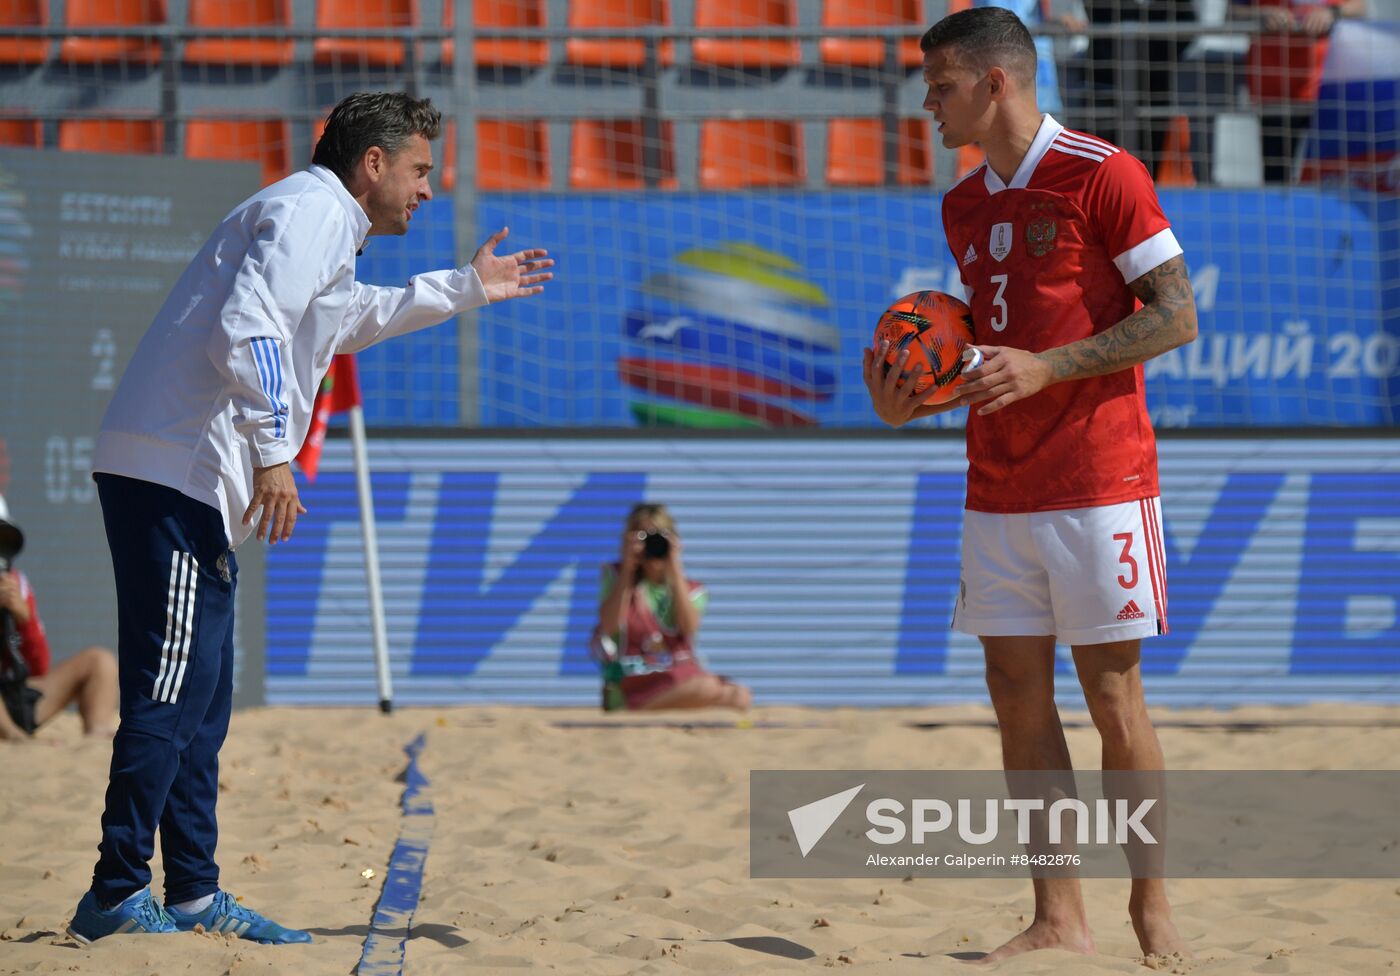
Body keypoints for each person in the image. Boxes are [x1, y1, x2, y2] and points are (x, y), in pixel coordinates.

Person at [67, 91, 553, 946]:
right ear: (372, 165)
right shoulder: (311, 210)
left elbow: (345, 320)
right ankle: (114, 892)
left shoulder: (322, 221)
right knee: (169, 693)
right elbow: (244, 327)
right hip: (177, 470)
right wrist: (273, 453)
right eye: (419, 170)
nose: (428, 191)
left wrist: (467, 288)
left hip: (189, 477)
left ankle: (192, 894)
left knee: (202, 703)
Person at [863, 7, 1198, 963]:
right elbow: (980, 350)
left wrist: (1051, 368)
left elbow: (1176, 317)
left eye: (940, 86)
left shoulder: (1104, 173)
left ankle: (1150, 906)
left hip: (1100, 477)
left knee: (1115, 701)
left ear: (995, 82)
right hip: (997, 483)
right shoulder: (964, 204)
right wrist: (912, 402)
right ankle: (1058, 918)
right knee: (1016, 697)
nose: (928, 104)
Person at [591, 503, 751, 712]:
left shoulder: (692, 589)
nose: (651, 546)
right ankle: (633, 710)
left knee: (740, 695)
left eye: (657, 537)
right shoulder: (616, 577)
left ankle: (657, 709)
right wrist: (627, 570)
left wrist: (674, 566)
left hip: (675, 677)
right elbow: (609, 626)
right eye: (643, 537)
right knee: (706, 687)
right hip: (633, 682)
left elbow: (688, 628)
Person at [0, 494, 118, 742]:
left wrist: (24, 618)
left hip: (16, 695)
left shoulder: (16, 586)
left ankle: (96, 740)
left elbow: (39, 666)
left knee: (100, 662)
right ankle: (14, 737)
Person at [1240, 0, 1367, 183]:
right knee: (1277, 178)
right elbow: (1232, 12)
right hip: (1274, 90)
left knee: (1330, 175)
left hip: (1327, 88)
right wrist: (1263, 13)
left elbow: (1360, 6)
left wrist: (1331, 12)